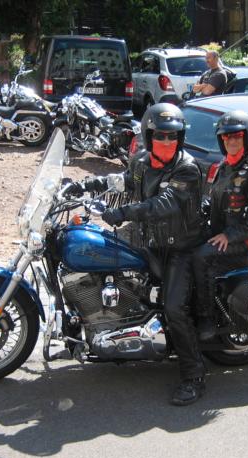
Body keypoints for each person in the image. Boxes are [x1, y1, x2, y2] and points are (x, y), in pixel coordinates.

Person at [67, 103, 207, 406]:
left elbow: (165, 203)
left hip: (180, 247)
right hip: (149, 239)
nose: (167, 142)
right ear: (149, 136)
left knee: (174, 308)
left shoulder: (187, 167)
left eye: (173, 136)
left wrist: (123, 212)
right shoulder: (142, 161)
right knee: (103, 256)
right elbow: (123, 180)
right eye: (161, 136)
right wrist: (83, 186)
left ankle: (193, 375)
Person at [193, 110, 248, 341]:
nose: (230, 140)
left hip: (245, 243)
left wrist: (229, 235)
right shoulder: (225, 165)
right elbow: (214, 200)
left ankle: (206, 318)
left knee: (201, 257)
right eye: (226, 136)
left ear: (247, 137)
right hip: (222, 233)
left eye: (236, 136)